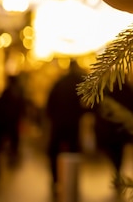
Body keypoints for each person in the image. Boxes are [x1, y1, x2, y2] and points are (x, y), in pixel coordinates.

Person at [45, 59, 89, 189]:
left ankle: (55, 179)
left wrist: (52, 117)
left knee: (54, 151)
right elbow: (87, 104)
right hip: (72, 123)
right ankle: (72, 179)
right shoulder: (80, 82)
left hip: (58, 122)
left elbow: (49, 103)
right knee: (73, 151)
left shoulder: (60, 82)